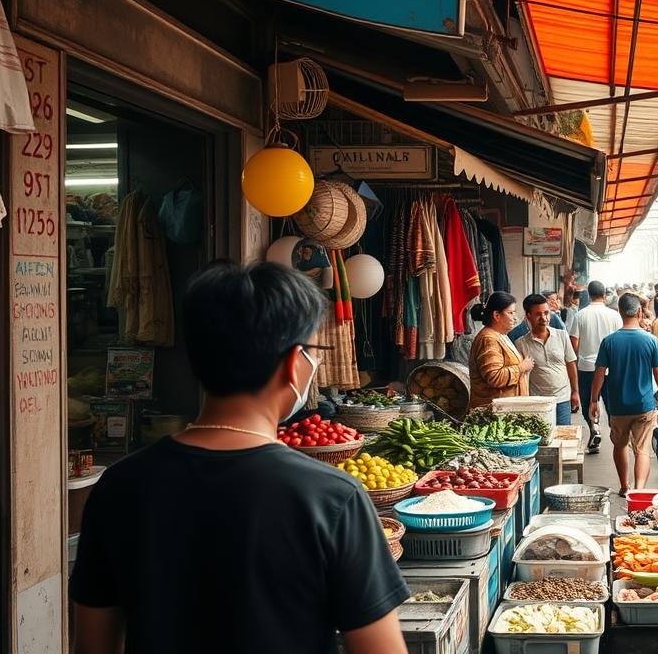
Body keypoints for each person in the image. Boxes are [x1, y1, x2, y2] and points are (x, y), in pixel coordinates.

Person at [70, 262, 409, 654]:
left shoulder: (119, 485)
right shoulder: (332, 498)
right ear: (293, 364)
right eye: (314, 351)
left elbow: (92, 645)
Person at [590, 294, 658, 494]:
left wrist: (593, 401)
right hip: (644, 405)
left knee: (619, 446)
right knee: (642, 449)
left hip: (617, 407)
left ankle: (624, 486)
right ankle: (639, 489)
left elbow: (599, 374)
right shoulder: (650, 340)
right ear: (638, 312)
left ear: (619, 312)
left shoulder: (609, 341)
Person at [568, 280, 623, 453]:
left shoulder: (580, 315)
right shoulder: (614, 315)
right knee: (611, 402)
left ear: (588, 294)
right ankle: (616, 433)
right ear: (605, 295)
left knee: (588, 401)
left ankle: (594, 427)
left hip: (587, 367)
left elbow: (573, 343)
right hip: (611, 367)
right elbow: (620, 340)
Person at [513, 293, 580, 426]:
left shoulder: (562, 335)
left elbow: (571, 364)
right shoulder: (521, 344)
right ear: (528, 316)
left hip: (562, 399)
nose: (544, 318)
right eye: (538, 314)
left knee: (562, 437)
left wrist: (575, 392)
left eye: (546, 313)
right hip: (537, 402)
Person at [467, 292, 532, 409]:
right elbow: (495, 377)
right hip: (494, 413)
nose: (515, 317)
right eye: (510, 313)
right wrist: (521, 368)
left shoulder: (500, 335)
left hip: (507, 410)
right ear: (497, 315)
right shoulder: (488, 339)